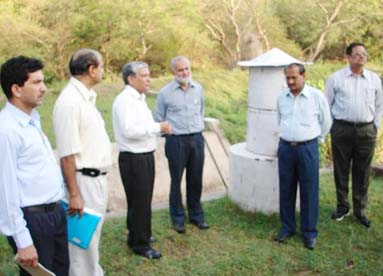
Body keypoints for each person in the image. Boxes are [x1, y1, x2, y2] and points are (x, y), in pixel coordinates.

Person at [0, 56, 69, 275]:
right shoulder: (7, 130)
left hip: (54, 213)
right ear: (16, 89)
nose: (44, 88)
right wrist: (22, 240)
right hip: (33, 220)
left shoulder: (32, 120)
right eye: (36, 83)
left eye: (43, 82)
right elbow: (5, 190)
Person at [53, 49, 112, 276]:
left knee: (92, 237)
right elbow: (67, 154)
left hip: (95, 180)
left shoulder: (85, 98)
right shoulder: (70, 102)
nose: (104, 71)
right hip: (82, 181)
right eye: (102, 66)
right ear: (91, 69)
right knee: (81, 244)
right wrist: (74, 194)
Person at [112, 61, 172, 259]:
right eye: (144, 75)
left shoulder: (139, 98)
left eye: (149, 74)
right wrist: (158, 127)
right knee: (140, 201)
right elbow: (130, 131)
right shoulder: (125, 101)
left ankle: (138, 234)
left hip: (143, 155)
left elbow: (143, 125)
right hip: (134, 157)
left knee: (141, 200)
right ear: (131, 78)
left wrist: (156, 128)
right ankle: (141, 244)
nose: (149, 79)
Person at [325, 42, 383, 228]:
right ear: (348, 57)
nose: (361, 57)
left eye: (364, 54)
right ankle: (343, 207)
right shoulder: (336, 79)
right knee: (341, 169)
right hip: (342, 129)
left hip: (366, 131)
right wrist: (333, 127)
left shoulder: (374, 79)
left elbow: (380, 105)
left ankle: (360, 210)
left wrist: (375, 126)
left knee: (363, 171)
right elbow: (327, 105)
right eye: (357, 54)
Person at [274, 63, 332, 250]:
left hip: (308, 149)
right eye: (287, 78)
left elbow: (326, 121)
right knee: (286, 188)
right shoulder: (282, 98)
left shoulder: (316, 96)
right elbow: (279, 120)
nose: (290, 81)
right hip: (286, 149)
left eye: (294, 77)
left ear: (303, 76)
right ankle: (288, 227)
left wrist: (317, 139)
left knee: (309, 190)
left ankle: (309, 232)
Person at [154, 56, 208, 234]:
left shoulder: (198, 89)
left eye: (187, 69)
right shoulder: (165, 93)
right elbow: (159, 118)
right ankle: (178, 218)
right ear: (173, 72)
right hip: (176, 141)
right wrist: (169, 135)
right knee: (176, 180)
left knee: (196, 178)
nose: (184, 72)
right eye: (180, 70)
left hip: (197, 139)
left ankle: (196, 215)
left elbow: (201, 111)